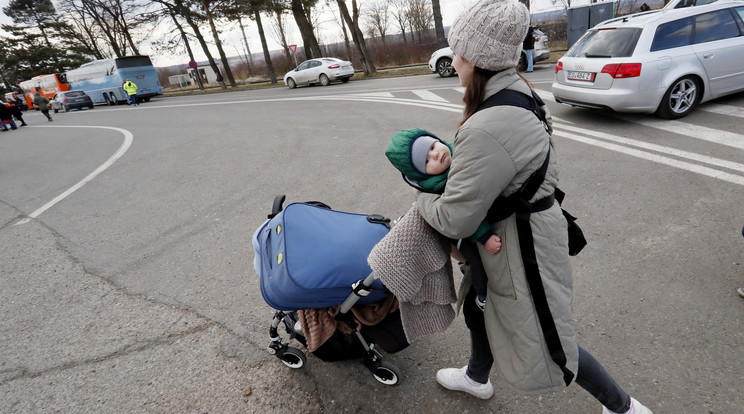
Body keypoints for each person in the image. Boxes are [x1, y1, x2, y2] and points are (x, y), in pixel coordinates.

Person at [413, 1, 653, 413]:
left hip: (521, 246)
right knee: (478, 308)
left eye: (457, 50)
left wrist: (422, 198)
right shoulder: (514, 89)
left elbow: (456, 215)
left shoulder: (487, 125)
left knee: (548, 334)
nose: (453, 59)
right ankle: (477, 377)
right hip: (517, 232)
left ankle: (623, 407)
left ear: (477, 56)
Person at [385, 128, 502, 309]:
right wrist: (485, 236)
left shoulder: (459, 149)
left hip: (482, 213)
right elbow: (462, 213)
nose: (436, 155)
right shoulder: (436, 188)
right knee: (476, 260)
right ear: (421, 174)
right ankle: (482, 295)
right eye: (426, 160)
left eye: (432, 146)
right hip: (462, 233)